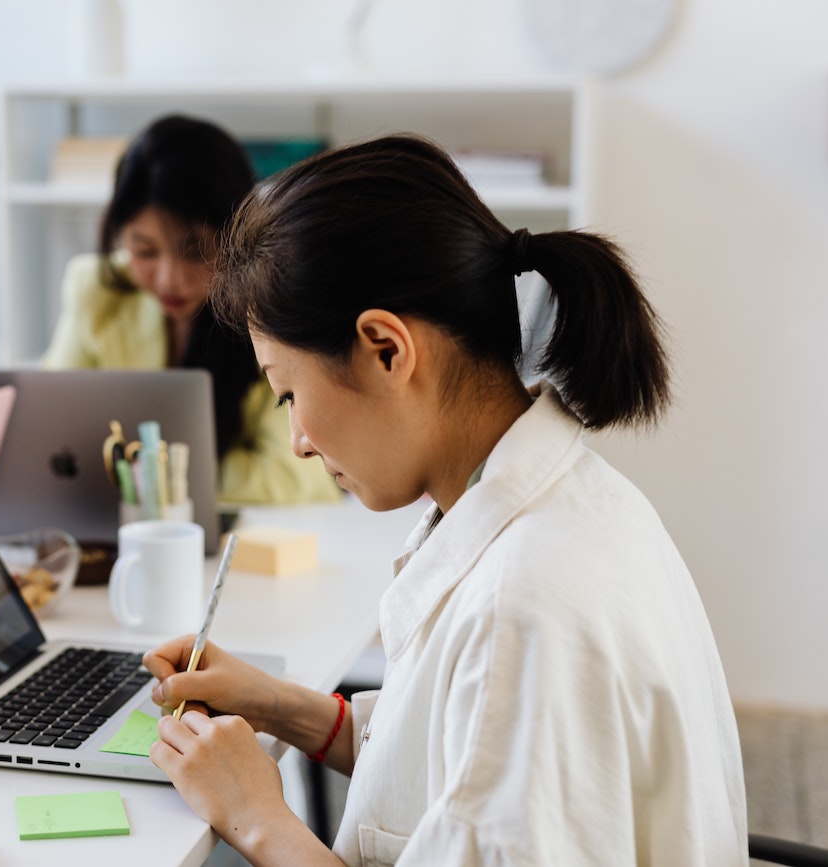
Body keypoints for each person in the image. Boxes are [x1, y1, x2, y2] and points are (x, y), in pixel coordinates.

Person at [142, 135, 746, 865]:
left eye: (291, 394)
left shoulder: (521, 611)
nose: (298, 439)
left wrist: (256, 816)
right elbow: (448, 755)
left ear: (386, 348)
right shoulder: (561, 499)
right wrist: (278, 704)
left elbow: (490, 716)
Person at [42, 114, 340, 505]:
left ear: (236, 233)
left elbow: (296, 476)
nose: (169, 279)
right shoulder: (96, 288)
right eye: (144, 250)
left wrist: (145, 474)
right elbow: (48, 430)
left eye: (196, 250)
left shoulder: (271, 305)